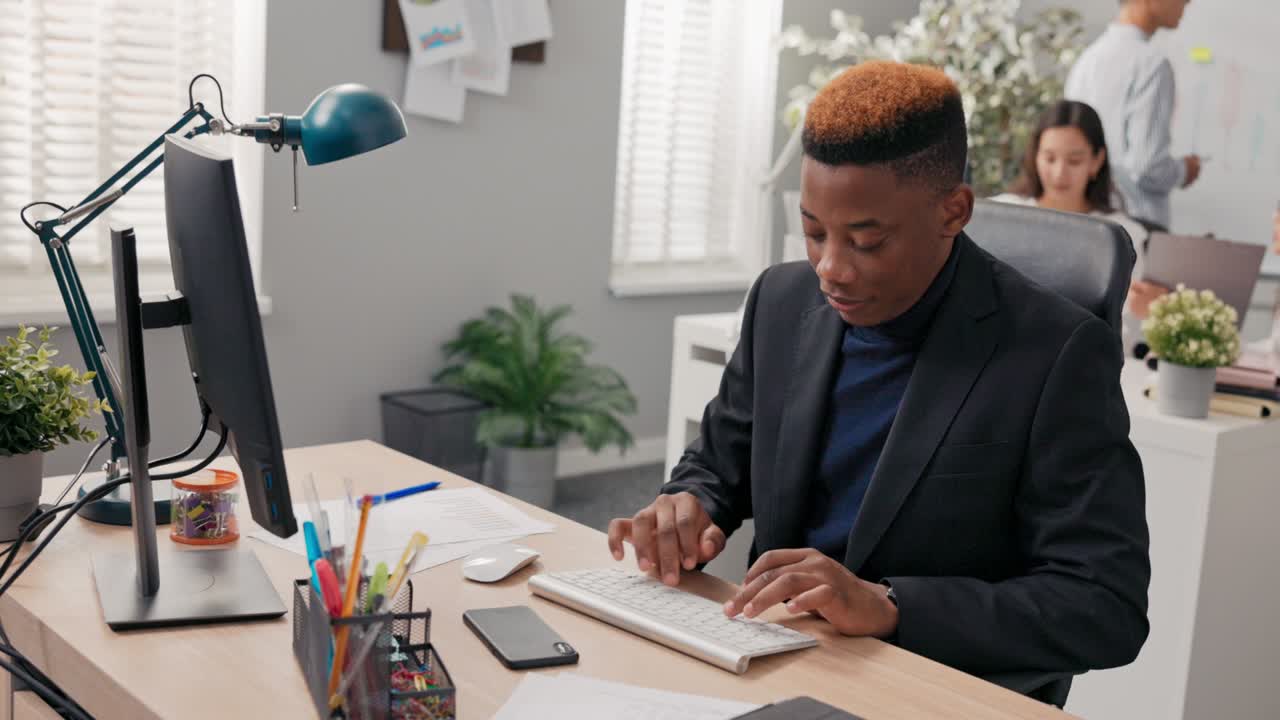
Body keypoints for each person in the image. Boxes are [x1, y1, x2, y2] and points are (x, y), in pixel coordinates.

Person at [607, 61, 1150, 707]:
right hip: (778, 668)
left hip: (923, 688)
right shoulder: (782, 301)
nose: (831, 268)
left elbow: (1104, 605)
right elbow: (722, 461)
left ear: (954, 211)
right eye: (814, 231)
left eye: (866, 241)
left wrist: (890, 606)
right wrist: (691, 503)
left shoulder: (1056, 354)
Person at [992, 99, 1163, 354]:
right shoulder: (1001, 214)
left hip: (1086, 364)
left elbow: (1128, 332)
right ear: (1035, 156)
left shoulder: (1120, 233)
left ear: (1096, 161)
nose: (1060, 173)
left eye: (1074, 161)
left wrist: (1154, 311)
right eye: (1049, 158)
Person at [1065, 0, 1199, 230]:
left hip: (1091, 221)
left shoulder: (1087, 61)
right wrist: (1185, 170)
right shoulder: (1152, 65)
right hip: (1137, 224)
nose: (1188, 2)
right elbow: (1147, 168)